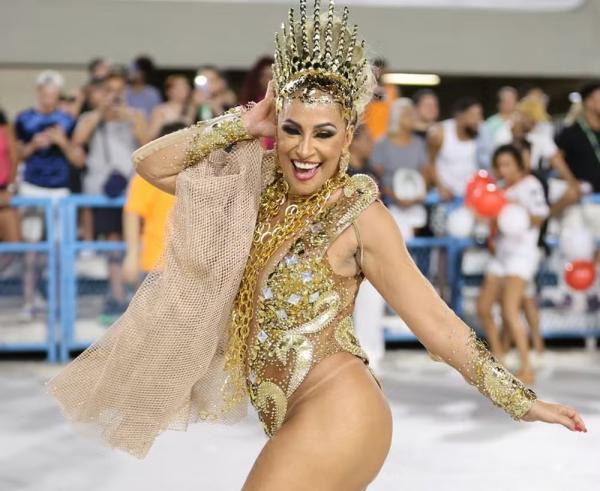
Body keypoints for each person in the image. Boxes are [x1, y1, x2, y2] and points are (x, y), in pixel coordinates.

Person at [46, 2, 587, 488]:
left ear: (348, 135)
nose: (305, 149)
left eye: (323, 133)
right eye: (291, 130)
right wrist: (242, 121)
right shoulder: (252, 188)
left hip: (342, 411)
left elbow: (437, 324)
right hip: (293, 415)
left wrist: (521, 401)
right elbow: (150, 165)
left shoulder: (360, 216)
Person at [73, 69, 148, 315]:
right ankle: (116, 296)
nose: (114, 96)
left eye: (118, 91)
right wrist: (101, 112)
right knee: (114, 243)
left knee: (135, 243)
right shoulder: (91, 117)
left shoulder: (135, 115)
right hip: (101, 190)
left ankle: (138, 297)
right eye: (109, 91)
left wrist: (129, 117)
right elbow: (78, 140)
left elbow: (147, 142)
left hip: (131, 189)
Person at [15, 70, 85, 321]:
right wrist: (34, 145)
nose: (49, 100)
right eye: (46, 95)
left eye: (54, 96)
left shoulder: (66, 121)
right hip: (32, 186)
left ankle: (57, 301)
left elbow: (78, 159)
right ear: (38, 93)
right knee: (31, 249)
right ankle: (28, 300)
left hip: (59, 188)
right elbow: (17, 155)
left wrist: (61, 141)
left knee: (57, 248)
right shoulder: (24, 119)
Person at [121, 123, 181, 286]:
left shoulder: (200, 176)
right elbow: (132, 213)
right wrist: (132, 255)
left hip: (190, 267)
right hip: (157, 265)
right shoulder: (147, 176)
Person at [371, 97, 427, 239]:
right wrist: (394, 196)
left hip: (416, 200)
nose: (414, 117)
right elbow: (376, 177)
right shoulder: (382, 144)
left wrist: (418, 195)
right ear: (398, 117)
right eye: (409, 114)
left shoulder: (419, 143)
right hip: (389, 202)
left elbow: (425, 172)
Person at [426, 97, 483, 200]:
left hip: (471, 195)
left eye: (479, 114)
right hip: (446, 196)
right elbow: (429, 163)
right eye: (473, 115)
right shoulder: (440, 133)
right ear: (460, 115)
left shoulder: (480, 134)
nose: (478, 119)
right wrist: (441, 188)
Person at [556, 81, 600, 192]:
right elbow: (556, 160)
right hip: (585, 197)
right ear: (589, 102)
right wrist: (571, 181)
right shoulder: (571, 132)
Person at [147, 75, 194, 141]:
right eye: (179, 87)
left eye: (185, 87)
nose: (184, 90)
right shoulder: (161, 110)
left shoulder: (191, 108)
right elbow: (151, 135)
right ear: (169, 91)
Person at [125, 56, 162, 120]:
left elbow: (155, 117)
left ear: (143, 73)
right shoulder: (124, 91)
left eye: (134, 70)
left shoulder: (153, 94)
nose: (130, 73)